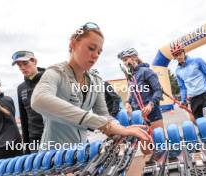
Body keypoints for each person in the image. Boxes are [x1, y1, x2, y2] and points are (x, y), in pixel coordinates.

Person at [31, 22, 152, 150]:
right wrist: (103, 124)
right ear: (73, 44)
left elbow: (104, 115)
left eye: (99, 52)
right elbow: (39, 100)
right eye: (91, 48)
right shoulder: (55, 73)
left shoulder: (96, 81)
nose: (95, 56)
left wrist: (120, 129)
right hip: (52, 156)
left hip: (80, 154)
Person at [170, 41, 206, 119]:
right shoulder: (177, 71)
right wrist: (183, 100)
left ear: (184, 52)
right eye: (176, 55)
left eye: (180, 53)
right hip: (193, 99)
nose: (179, 56)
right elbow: (183, 87)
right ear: (174, 57)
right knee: (199, 122)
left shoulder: (197, 61)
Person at [117, 48, 164, 130]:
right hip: (138, 114)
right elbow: (132, 93)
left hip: (152, 112)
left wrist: (150, 105)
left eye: (126, 59)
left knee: (158, 140)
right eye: (123, 61)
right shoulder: (130, 76)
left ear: (134, 57)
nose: (124, 63)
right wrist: (128, 103)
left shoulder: (146, 71)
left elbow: (158, 90)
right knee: (143, 142)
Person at [12, 51, 45, 153]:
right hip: (34, 139)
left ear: (34, 61)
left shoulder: (50, 79)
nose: (22, 68)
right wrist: (27, 147)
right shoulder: (21, 88)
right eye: (19, 65)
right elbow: (24, 117)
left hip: (56, 136)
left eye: (25, 63)